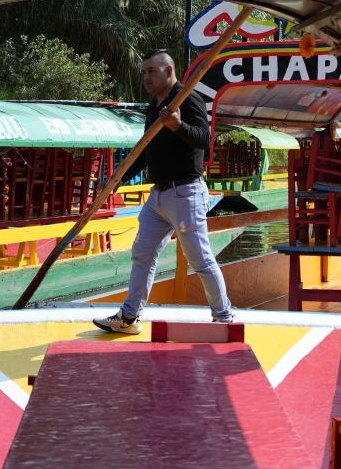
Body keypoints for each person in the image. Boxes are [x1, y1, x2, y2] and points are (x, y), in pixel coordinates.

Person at [94, 50, 235, 333]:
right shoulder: (154, 107)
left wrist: (178, 125)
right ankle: (129, 317)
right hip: (158, 196)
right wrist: (118, 180)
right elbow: (146, 150)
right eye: (144, 72)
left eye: (152, 71)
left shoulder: (187, 99)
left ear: (169, 71)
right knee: (142, 255)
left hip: (185, 193)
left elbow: (204, 140)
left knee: (200, 259)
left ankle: (224, 317)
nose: (146, 77)